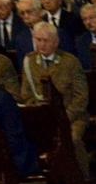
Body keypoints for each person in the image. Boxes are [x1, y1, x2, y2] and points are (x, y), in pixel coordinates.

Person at [19, 21, 89, 174]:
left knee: (72, 139)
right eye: (38, 40)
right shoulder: (29, 61)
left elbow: (81, 97)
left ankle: (83, 177)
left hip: (71, 117)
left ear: (56, 42)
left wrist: (64, 118)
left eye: (46, 40)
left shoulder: (70, 62)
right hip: (41, 119)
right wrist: (39, 114)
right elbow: (26, 94)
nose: (42, 44)